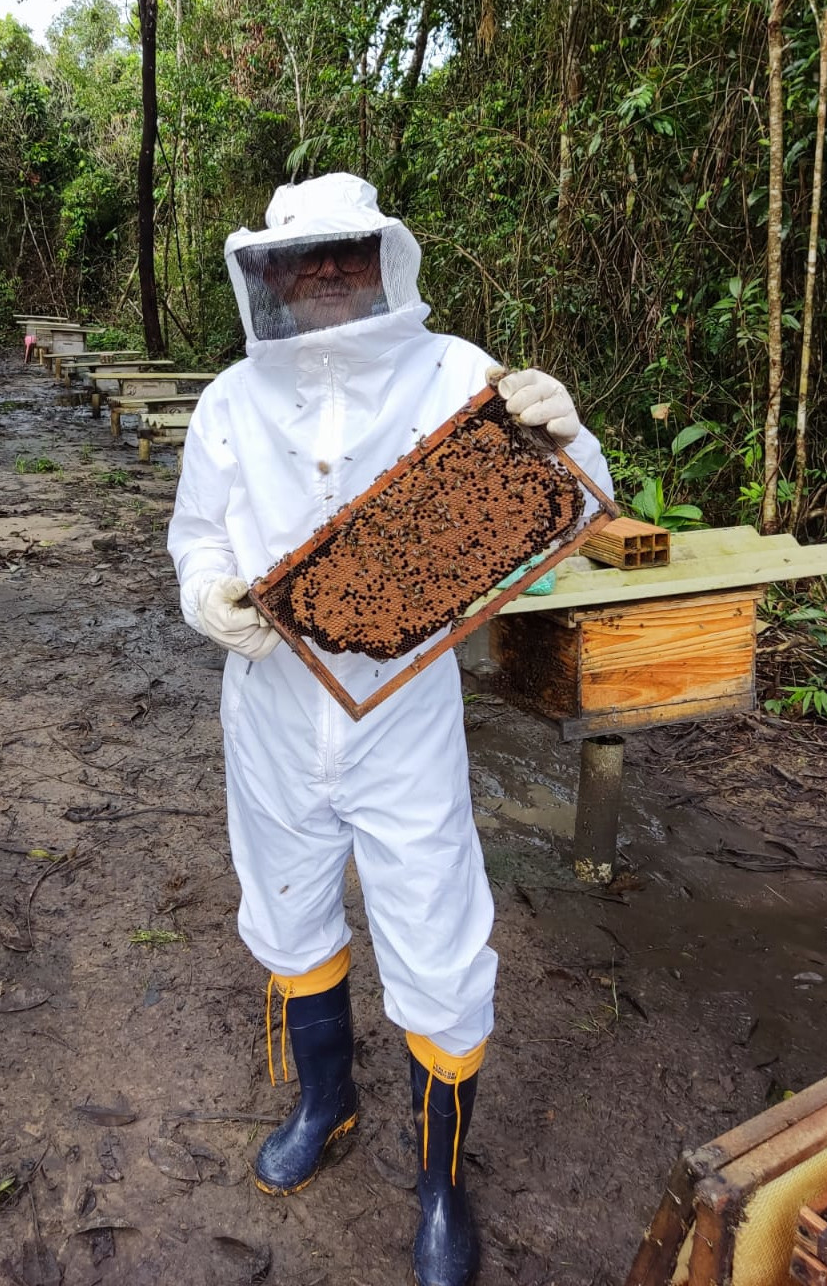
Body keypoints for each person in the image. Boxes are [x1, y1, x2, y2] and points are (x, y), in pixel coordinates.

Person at [167, 173, 613, 1286]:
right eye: (302, 258)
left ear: (384, 261)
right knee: (286, 906)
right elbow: (198, 536)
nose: (325, 272)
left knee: (437, 936)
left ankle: (441, 1185)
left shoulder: (456, 372)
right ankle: (326, 1104)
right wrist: (209, 595)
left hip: (405, 717)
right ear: (268, 276)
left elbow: (567, 502)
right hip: (271, 709)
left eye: (346, 252)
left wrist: (567, 433)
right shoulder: (229, 401)